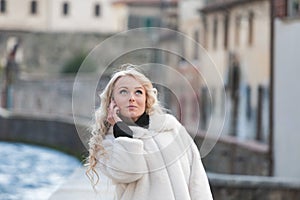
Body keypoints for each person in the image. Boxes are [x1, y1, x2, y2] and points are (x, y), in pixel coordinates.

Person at [86, 64, 213, 200]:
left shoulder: (172, 128)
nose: (132, 98)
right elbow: (129, 172)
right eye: (123, 92)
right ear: (112, 101)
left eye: (138, 92)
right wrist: (122, 131)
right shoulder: (108, 144)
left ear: (146, 98)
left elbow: (198, 180)